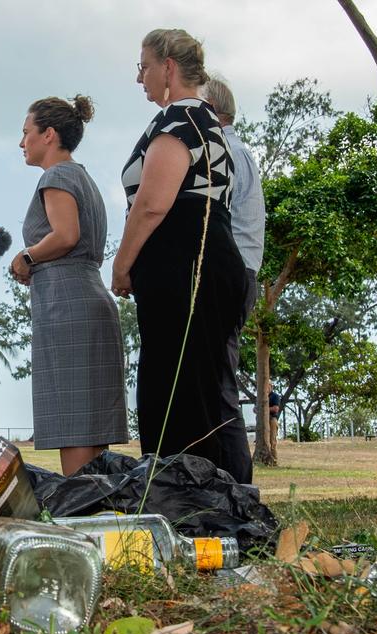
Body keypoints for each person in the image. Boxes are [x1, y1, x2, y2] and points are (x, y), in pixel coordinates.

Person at [111, 28, 252, 481]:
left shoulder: (179, 121)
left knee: (176, 390)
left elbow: (153, 203)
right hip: (204, 260)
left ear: (168, 68)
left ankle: (189, 499)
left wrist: (121, 263)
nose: (140, 78)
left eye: (144, 66)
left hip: (185, 264)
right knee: (204, 389)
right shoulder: (208, 122)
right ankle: (222, 500)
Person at [9, 95, 128, 476]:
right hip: (88, 296)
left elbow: (65, 235)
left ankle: (81, 520)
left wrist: (26, 257)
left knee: (73, 424)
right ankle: (100, 518)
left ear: (49, 134)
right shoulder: (84, 177)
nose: (21, 141)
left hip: (66, 306)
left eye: (26, 132)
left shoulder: (56, 176)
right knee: (90, 427)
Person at [202, 75, 265, 483]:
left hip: (231, 272)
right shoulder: (238, 151)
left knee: (220, 382)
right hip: (244, 272)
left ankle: (239, 486)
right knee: (216, 380)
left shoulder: (225, 151)